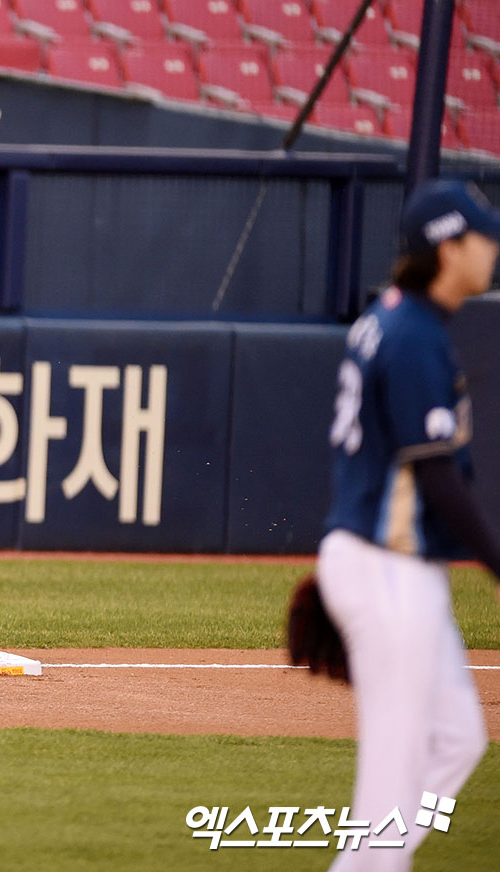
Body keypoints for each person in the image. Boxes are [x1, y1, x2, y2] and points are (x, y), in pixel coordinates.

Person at [316, 178, 500, 871]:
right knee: (390, 786)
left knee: (457, 740)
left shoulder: (391, 319)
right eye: (482, 236)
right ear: (448, 249)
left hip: (387, 561)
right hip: (386, 569)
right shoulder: (414, 333)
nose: (493, 247)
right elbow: (436, 477)